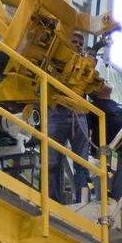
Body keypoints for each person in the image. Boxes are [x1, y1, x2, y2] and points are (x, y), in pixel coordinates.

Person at [46, 30, 92, 204]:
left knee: (82, 164)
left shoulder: (86, 65)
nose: (78, 45)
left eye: (81, 42)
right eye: (75, 41)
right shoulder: (55, 60)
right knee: (52, 162)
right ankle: (53, 201)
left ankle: (83, 202)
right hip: (57, 112)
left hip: (79, 114)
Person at [89, 79, 122, 203]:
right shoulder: (92, 107)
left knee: (121, 198)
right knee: (104, 199)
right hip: (104, 157)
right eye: (102, 81)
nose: (105, 80)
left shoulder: (121, 107)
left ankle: (118, 220)